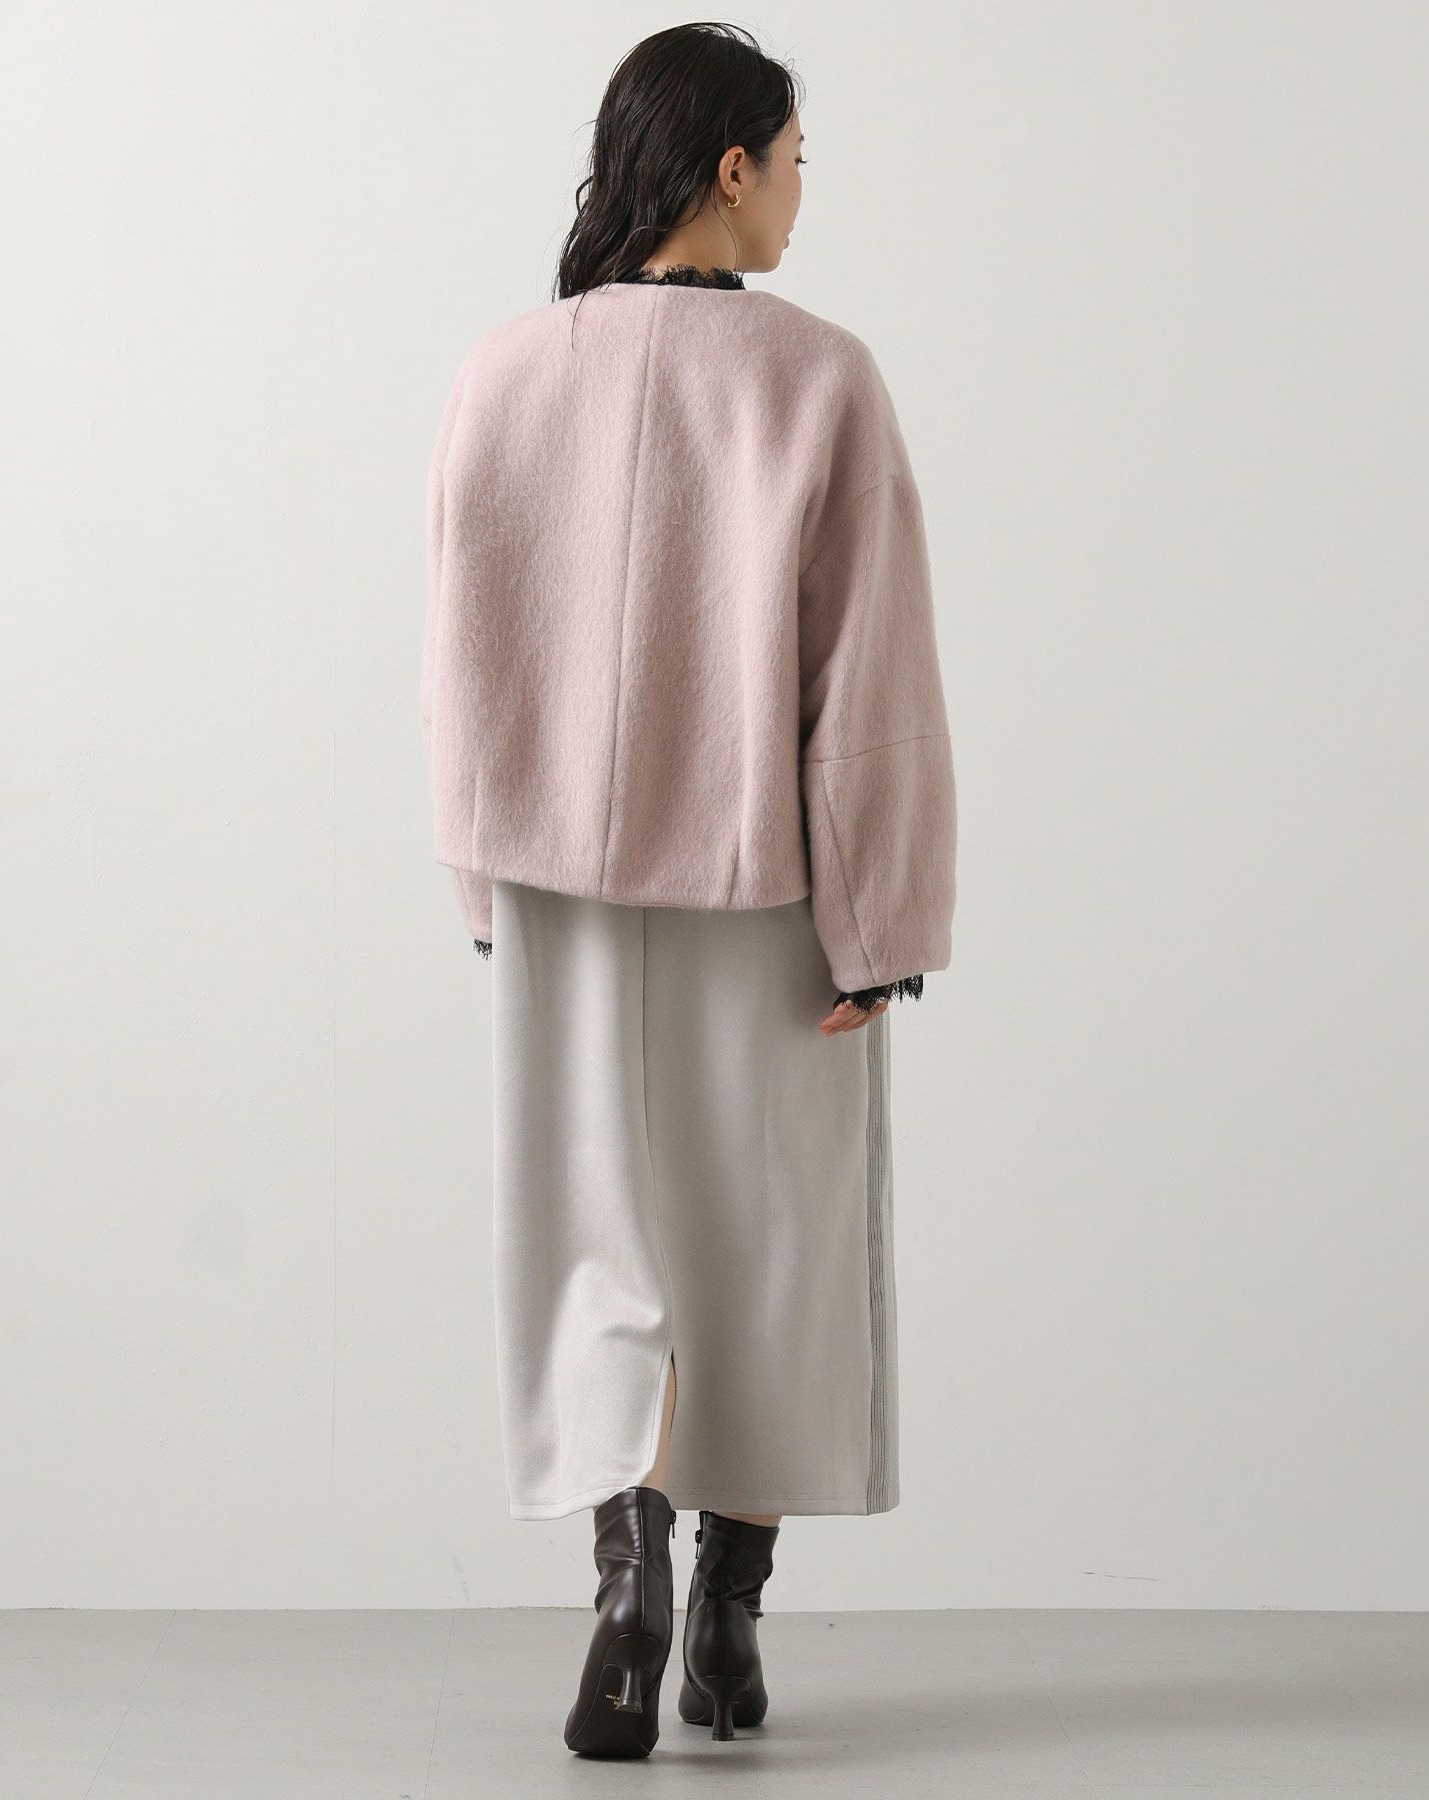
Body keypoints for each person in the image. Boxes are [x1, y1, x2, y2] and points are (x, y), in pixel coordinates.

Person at [420, 20, 956, 1760]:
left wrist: (483, 875)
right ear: (731, 167)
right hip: (770, 888)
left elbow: (458, 657)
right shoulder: (820, 378)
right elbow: (870, 683)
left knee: (601, 1241)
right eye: (793, 162)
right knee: (772, 1241)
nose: (801, 195)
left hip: (559, 888)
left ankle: (626, 1577)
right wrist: (884, 931)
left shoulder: (507, 372)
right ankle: (728, 1620)